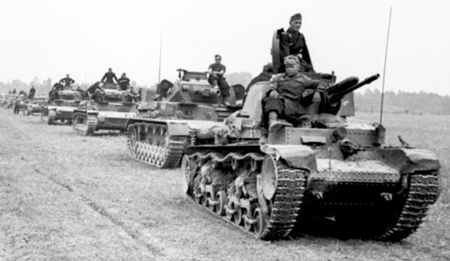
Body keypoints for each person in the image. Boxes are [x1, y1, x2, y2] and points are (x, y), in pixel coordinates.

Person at [259, 55, 324, 144]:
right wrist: (272, 91)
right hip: (279, 105)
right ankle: (272, 122)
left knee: (272, 102)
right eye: (287, 67)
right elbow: (272, 86)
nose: (289, 69)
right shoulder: (278, 77)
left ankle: (267, 130)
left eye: (291, 67)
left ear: (298, 67)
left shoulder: (303, 79)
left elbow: (320, 83)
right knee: (270, 99)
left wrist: (318, 92)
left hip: (293, 107)